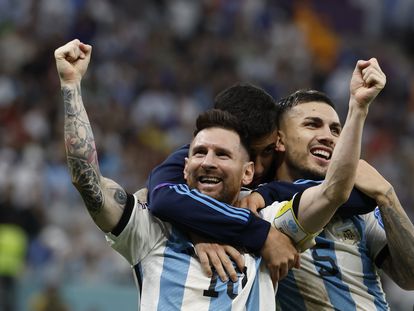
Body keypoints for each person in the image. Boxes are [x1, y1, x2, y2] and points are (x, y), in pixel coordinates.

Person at [55, 39, 380, 309]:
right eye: (198, 152)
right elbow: (87, 179)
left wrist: (358, 109)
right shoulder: (152, 225)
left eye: (223, 154)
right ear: (184, 163)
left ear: (249, 169)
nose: (208, 161)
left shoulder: (268, 215)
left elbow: (335, 192)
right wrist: (71, 87)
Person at [242, 83, 414, 309]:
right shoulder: (252, 205)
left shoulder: (361, 210)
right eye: (312, 125)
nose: (328, 137)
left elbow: (409, 277)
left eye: (335, 130)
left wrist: (387, 197)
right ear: (279, 141)